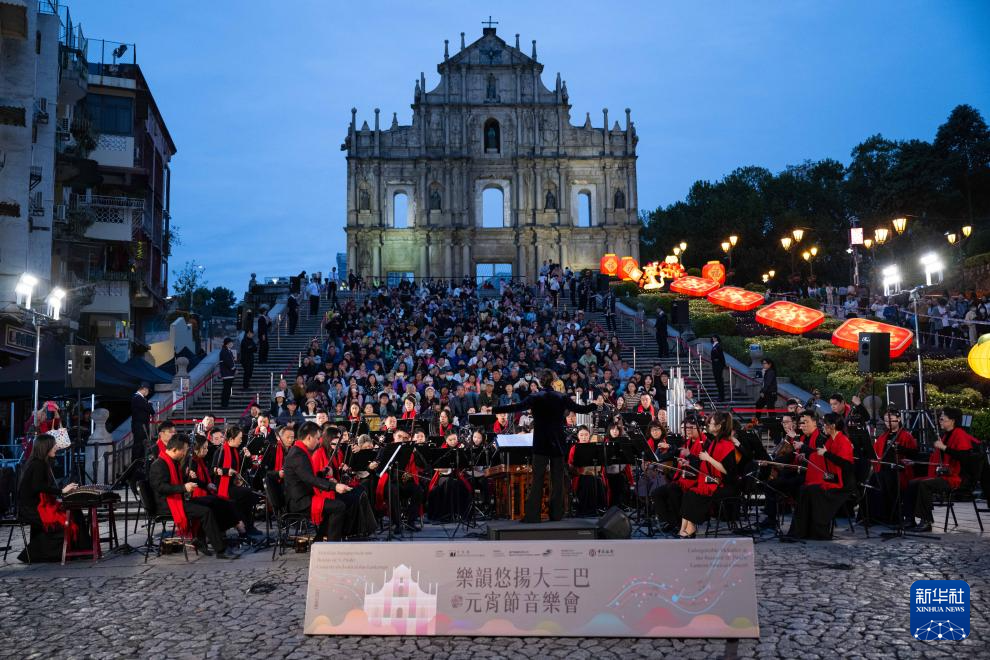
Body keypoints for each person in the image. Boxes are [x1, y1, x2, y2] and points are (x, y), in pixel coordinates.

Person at [492, 369, 598, 522]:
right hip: (557, 441)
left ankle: (533, 516)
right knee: (557, 479)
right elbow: (580, 409)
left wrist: (495, 409)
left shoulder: (535, 397)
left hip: (541, 441)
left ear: (540, 382)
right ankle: (556, 514)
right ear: (553, 381)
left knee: (537, 479)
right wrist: (593, 406)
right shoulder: (561, 396)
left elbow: (516, 407)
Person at [149, 433, 236, 559]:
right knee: (205, 512)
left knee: (214, 500)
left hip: (178, 500)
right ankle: (220, 550)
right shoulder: (158, 464)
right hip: (167, 505)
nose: (185, 453)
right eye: (184, 450)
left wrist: (187, 477)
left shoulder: (173, 462)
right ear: (175, 450)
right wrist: (184, 487)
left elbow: (178, 481)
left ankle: (208, 537)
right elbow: (161, 487)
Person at [284, 421, 370, 541]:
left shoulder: (299, 451)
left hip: (304, 496)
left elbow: (308, 475)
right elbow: (309, 479)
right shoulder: (298, 454)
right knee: (339, 506)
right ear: (309, 437)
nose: (319, 441)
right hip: (300, 501)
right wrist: (335, 486)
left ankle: (320, 540)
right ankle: (331, 543)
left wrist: (323, 473)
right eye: (317, 438)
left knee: (338, 504)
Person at [16, 434, 90, 563]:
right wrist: (62, 491)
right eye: (54, 445)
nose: (56, 447)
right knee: (65, 522)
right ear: (46, 447)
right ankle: (33, 554)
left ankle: (83, 549)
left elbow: (42, 488)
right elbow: (38, 487)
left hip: (39, 506)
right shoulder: (37, 464)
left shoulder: (40, 463)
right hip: (32, 510)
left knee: (75, 511)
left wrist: (61, 492)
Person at [902, 407, 977, 532]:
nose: (939, 421)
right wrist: (914, 462)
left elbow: (964, 457)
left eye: (942, 419)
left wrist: (944, 447)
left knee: (924, 484)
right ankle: (910, 519)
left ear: (952, 421)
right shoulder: (946, 435)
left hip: (956, 478)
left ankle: (926, 521)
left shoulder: (960, 434)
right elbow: (936, 458)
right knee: (912, 483)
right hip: (944, 474)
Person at [787, 412, 855, 540]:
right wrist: (805, 450)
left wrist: (826, 454)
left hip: (843, 481)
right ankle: (802, 530)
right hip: (832, 476)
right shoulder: (830, 440)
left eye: (825, 425)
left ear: (832, 426)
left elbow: (846, 465)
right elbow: (818, 453)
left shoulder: (844, 441)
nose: (823, 427)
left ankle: (818, 531)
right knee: (805, 488)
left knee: (814, 489)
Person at [678, 412, 738, 538]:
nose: (708, 425)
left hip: (724, 485)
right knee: (689, 493)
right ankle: (685, 528)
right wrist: (688, 464)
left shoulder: (727, 445)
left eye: (710, 423)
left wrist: (708, 458)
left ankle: (689, 528)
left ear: (719, 426)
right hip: (713, 481)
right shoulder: (715, 442)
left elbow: (727, 471)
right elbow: (706, 467)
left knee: (693, 495)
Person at [867, 408, 918, 523]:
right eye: (886, 420)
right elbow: (875, 454)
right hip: (883, 470)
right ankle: (876, 517)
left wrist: (900, 448)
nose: (888, 423)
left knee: (886, 480)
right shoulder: (882, 437)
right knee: (873, 480)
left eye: (891, 420)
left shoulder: (906, 436)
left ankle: (892, 517)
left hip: (899, 471)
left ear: (899, 419)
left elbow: (914, 454)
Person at [130, 383, 156, 469]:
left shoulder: (140, 398)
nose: (148, 392)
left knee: (142, 445)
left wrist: (148, 404)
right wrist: (149, 404)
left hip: (141, 425)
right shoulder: (137, 398)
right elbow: (149, 409)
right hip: (140, 426)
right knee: (138, 446)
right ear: (144, 389)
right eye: (148, 390)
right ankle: (136, 465)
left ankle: (139, 464)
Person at [219, 338, 236, 408]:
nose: (232, 344)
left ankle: (225, 403)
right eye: (231, 343)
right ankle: (224, 404)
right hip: (227, 373)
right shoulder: (225, 351)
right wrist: (234, 369)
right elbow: (228, 362)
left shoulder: (228, 351)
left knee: (227, 389)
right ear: (227, 343)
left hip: (228, 373)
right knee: (226, 389)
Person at [710, 335, 726, 402]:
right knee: (717, 381)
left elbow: (721, 356)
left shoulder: (718, 346)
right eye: (713, 337)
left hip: (718, 365)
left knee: (719, 381)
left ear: (717, 338)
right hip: (715, 364)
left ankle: (721, 397)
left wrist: (723, 364)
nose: (713, 338)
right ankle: (720, 396)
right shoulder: (714, 346)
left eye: (714, 337)